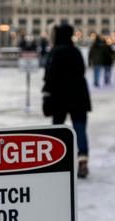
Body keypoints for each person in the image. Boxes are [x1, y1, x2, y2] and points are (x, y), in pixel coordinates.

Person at [42, 24, 92, 178]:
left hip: (59, 96)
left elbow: (49, 75)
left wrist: (47, 93)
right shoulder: (75, 51)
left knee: (58, 129)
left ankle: (57, 160)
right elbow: (82, 70)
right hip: (78, 95)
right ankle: (82, 159)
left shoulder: (55, 52)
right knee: (80, 128)